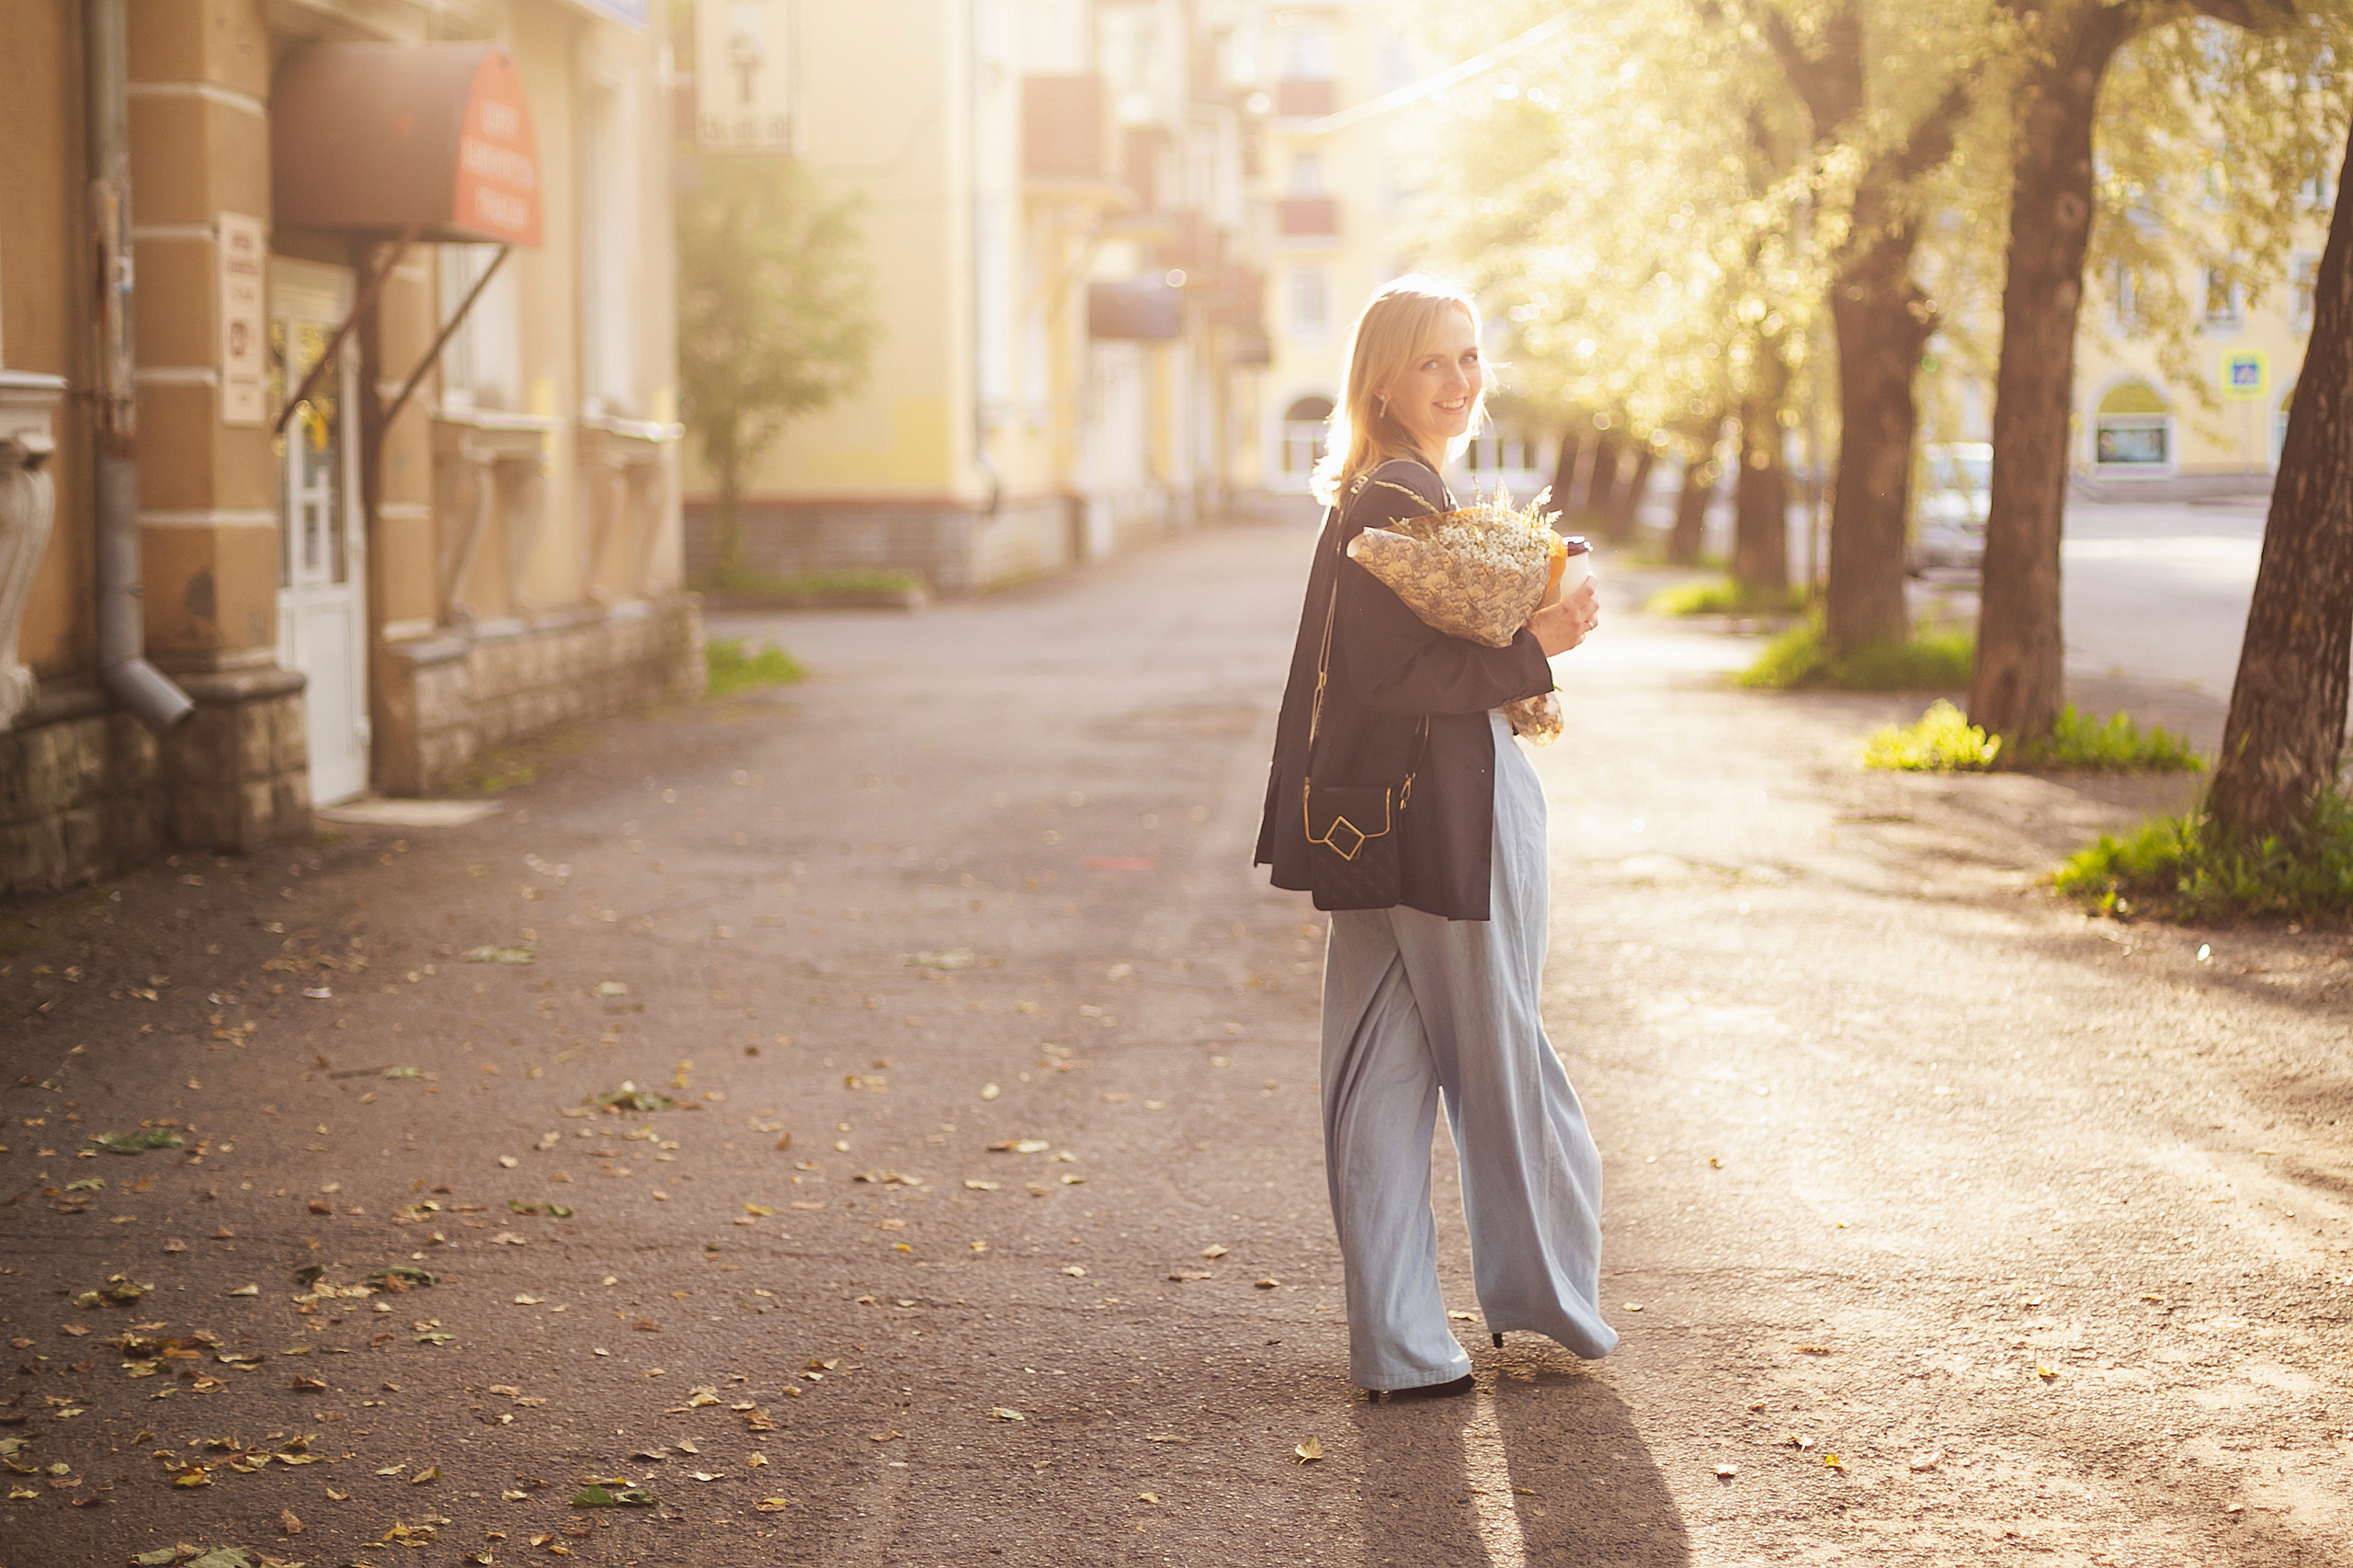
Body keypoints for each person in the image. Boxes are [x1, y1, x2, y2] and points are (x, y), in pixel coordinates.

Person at [1255, 275, 1617, 1400]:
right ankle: (1546, 1292)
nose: (1458, 381)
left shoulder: (1376, 488)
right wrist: (1539, 641)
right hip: (1441, 819)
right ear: (1382, 379)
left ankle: (1404, 1345)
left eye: (1469, 358)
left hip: (1382, 821)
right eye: (1432, 362)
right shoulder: (1394, 498)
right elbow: (1390, 674)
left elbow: (1373, 675)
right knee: (1503, 1057)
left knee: (1378, 1071)